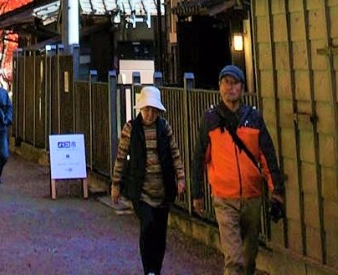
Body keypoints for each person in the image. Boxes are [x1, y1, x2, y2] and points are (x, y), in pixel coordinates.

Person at [193, 65, 284, 275]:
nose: (229, 88)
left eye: (234, 83)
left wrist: (276, 191)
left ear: (242, 88)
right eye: (225, 82)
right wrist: (197, 193)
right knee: (234, 260)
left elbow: (268, 156)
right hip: (224, 198)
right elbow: (199, 158)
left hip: (252, 197)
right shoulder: (210, 119)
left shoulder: (253, 118)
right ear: (219, 87)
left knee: (249, 258)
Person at [112, 83, 186, 275]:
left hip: (163, 189)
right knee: (147, 227)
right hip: (141, 190)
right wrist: (116, 183)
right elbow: (121, 156)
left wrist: (180, 177)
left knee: (160, 233)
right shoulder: (131, 128)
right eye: (146, 109)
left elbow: (174, 153)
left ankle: (156, 269)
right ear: (141, 108)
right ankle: (149, 270)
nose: (149, 114)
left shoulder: (164, 127)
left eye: (153, 110)